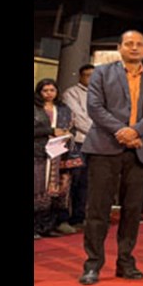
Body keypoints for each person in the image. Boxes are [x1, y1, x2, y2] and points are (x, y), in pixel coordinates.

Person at [78, 31, 143, 285]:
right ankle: (93, 264)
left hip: (141, 149)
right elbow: (95, 107)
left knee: (132, 210)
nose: (134, 47)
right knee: (98, 209)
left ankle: (126, 262)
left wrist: (135, 131)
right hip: (104, 147)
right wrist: (122, 131)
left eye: (139, 44)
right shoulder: (101, 73)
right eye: (129, 44)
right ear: (119, 48)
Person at [34, 79, 73, 239]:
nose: (49, 93)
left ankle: (47, 226)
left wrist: (66, 133)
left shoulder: (63, 109)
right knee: (37, 189)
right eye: (45, 90)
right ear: (39, 92)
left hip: (58, 153)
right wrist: (50, 131)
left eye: (52, 90)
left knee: (54, 191)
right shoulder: (36, 108)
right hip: (38, 152)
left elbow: (70, 126)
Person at [59, 64, 95, 232]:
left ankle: (80, 217)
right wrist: (99, 131)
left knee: (88, 182)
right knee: (73, 180)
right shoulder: (71, 93)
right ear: (80, 76)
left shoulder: (101, 93)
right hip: (79, 142)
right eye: (87, 75)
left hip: (96, 143)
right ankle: (66, 217)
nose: (91, 79)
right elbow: (78, 118)